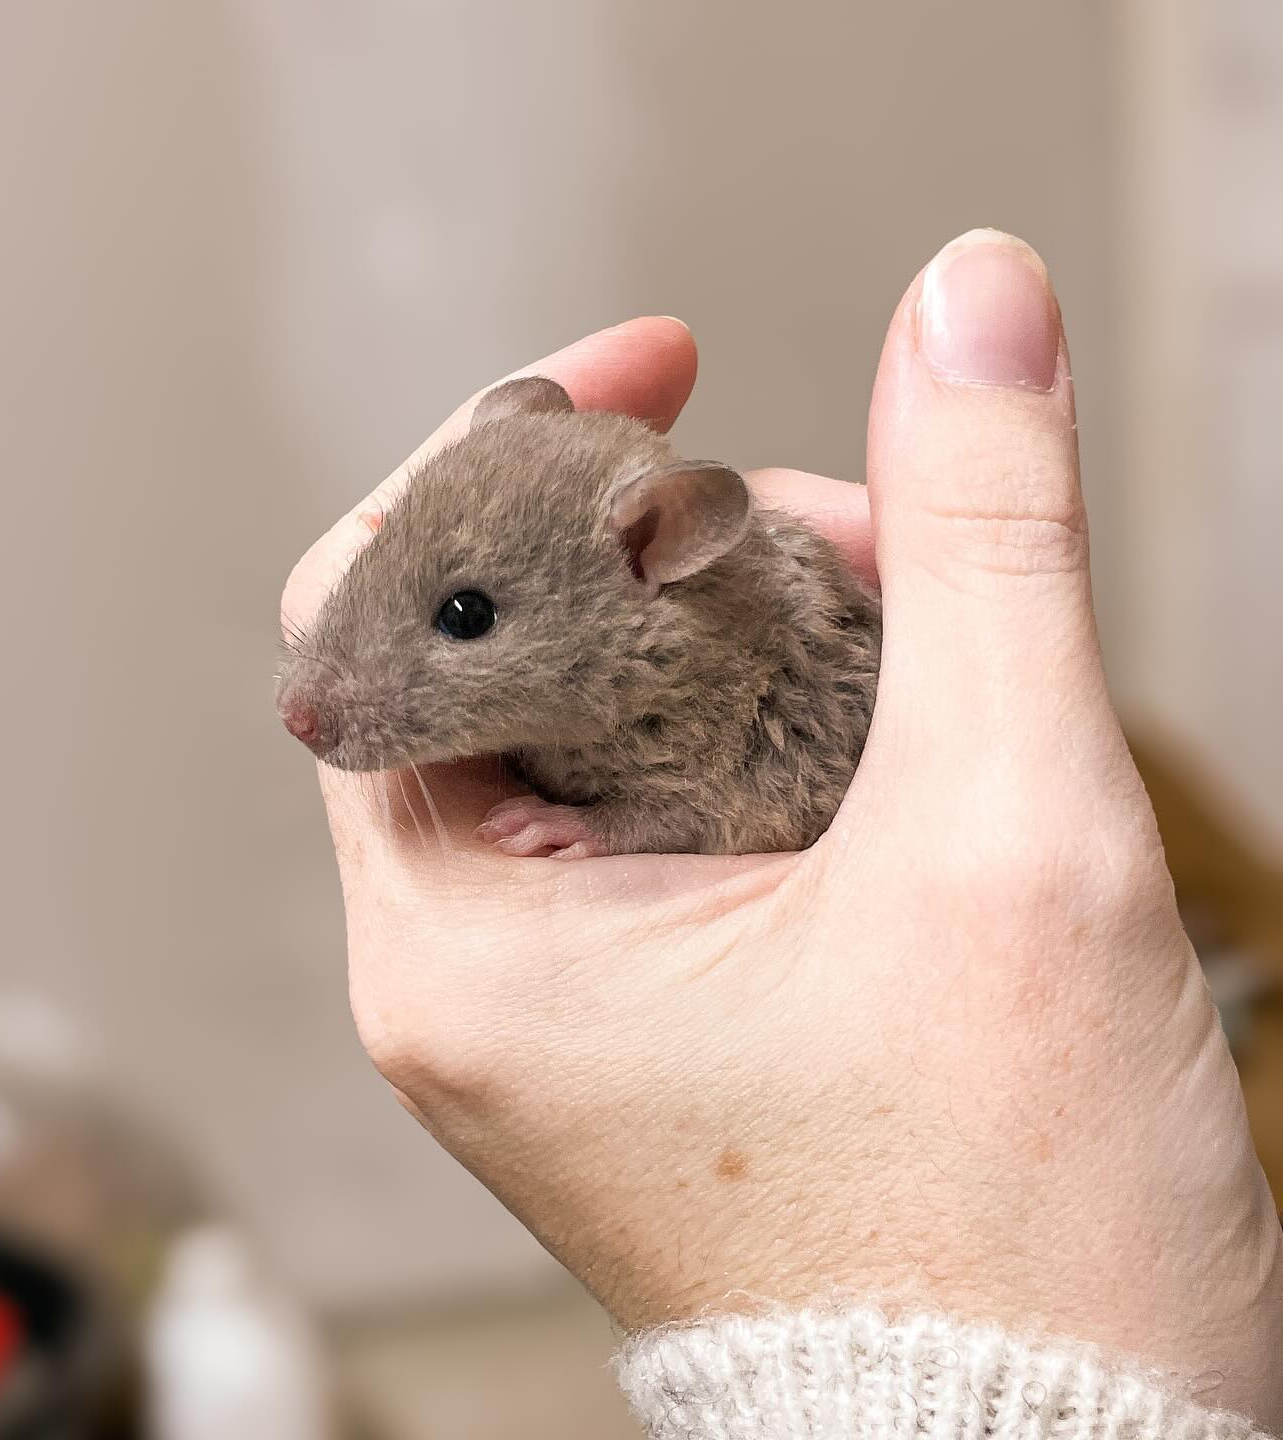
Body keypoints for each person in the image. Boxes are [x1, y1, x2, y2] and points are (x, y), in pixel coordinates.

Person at [281, 230, 1283, 1438]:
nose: (305, 704)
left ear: (657, 547)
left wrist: (605, 829)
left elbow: (767, 803)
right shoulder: (615, 650)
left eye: (466, 617)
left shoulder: (737, 676)